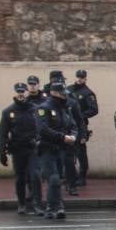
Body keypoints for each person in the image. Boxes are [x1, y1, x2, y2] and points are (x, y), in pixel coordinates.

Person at [36, 80, 78, 219]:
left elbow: (73, 125)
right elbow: (43, 129)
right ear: (53, 93)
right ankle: (59, 206)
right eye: (62, 94)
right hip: (47, 149)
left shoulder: (65, 108)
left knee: (58, 179)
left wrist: (73, 136)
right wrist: (62, 137)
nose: (65, 96)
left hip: (61, 149)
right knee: (53, 178)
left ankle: (50, 206)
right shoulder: (44, 108)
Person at [0, 82, 40, 215]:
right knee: (20, 178)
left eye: (23, 91)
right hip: (17, 149)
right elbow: (3, 134)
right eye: (18, 92)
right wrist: (2, 152)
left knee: (35, 176)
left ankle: (37, 204)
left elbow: (43, 129)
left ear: (27, 92)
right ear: (15, 93)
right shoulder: (8, 111)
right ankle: (21, 204)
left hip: (33, 148)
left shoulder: (36, 109)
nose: (21, 94)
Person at [70, 70, 99, 186]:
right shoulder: (69, 89)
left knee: (80, 151)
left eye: (82, 77)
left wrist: (80, 115)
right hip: (67, 124)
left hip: (80, 125)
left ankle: (82, 175)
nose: (79, 79)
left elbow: (94, 109)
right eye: (78, 77)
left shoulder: (88, 93)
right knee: (68, 152)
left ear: (85, 78)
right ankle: (70, 175)